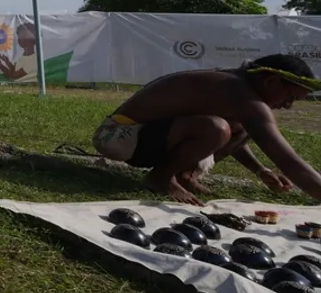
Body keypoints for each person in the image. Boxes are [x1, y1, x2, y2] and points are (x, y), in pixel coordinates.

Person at [91, 53, 321, 205]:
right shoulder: (236, 90)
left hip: (142, 137)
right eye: (289, 97)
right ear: (271, 81)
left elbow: (234, 138)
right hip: (116, 136)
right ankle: (160, 177)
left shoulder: (239, 90)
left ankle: (185, 176)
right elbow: (287, 160)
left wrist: (260, 170)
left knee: (235, 127)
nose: (286, 106)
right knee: (217, 127)